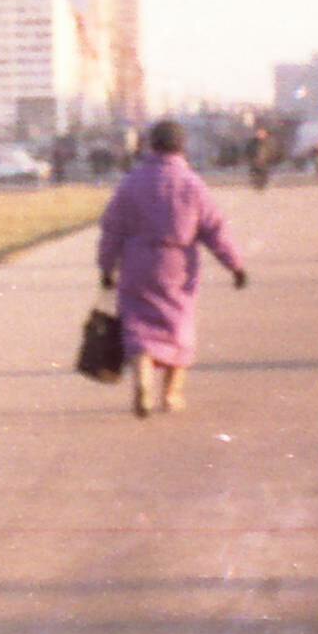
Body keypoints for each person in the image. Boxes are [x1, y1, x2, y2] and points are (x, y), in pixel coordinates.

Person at [95, 118, 249, 419]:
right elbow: (214, 229)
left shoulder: (131, 183)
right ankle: (170, 394)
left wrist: (106, 267)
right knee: (178, 325)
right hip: (178, 266)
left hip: (137, 263)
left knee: (138, 323)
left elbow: (112, 229)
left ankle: (142, 368)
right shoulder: (192, 184)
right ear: (182, 147)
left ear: (152, 145)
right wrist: (235, 266)